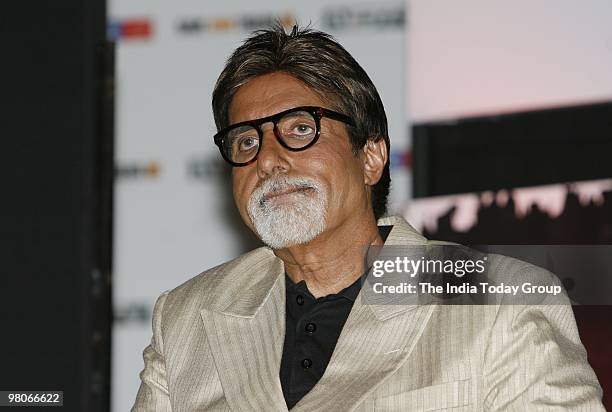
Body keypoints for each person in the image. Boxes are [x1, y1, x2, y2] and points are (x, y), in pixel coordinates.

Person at [132, 24, 604, 411]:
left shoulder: (498, 300)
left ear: (371, 158)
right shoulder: (187, 317)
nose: (268, 160)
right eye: (246, 142)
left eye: (300, 129)